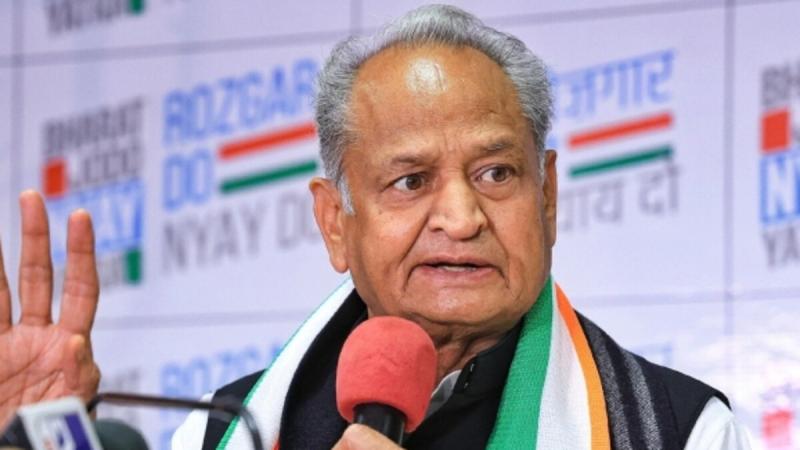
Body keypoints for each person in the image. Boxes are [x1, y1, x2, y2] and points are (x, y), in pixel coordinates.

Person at [0, 5, 750, 450]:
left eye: (496, 174)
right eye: (411, 181)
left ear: (547, 195)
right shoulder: (225, 432)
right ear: (335, 223)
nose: (461, 218)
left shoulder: (683, 433)